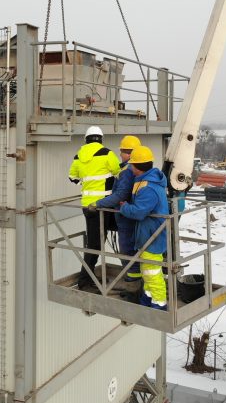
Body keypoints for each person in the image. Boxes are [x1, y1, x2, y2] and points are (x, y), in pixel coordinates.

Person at [68, 126, 121, 290]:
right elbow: (118, 172)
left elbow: (72, 177)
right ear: (101, 138)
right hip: (105, 206)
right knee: (96, 245)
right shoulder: (107, 153)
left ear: (86, 139)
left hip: (88, 207)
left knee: (96, 242)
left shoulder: (78, 156)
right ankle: (85, 280)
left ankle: (88, 277)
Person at [119, 145, 168, 310]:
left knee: (152, 273)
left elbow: (139, 212)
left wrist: (124, 207)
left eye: (132, 165)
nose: (130, 167)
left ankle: (159, 304)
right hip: (148, 234)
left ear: (138, 167)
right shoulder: (144, 180)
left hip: (152, 237)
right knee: (148, 271)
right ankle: (148, 298)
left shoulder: (148, 188)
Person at [91, 135, 141, 288]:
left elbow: (120, 195)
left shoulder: (127, 171)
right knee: (129, 248)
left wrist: (98, 203)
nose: (120, 154)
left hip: (125, 217)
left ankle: (133, 281)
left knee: (127, 248)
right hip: (127, 215)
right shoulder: (128, 168)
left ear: (129, 152)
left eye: (122, 151)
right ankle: (133, 276)